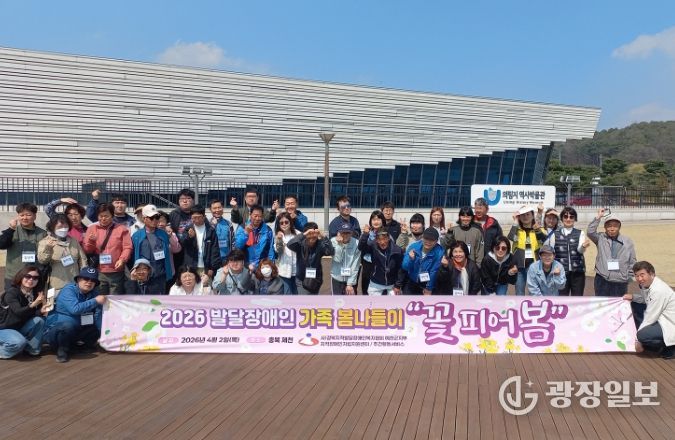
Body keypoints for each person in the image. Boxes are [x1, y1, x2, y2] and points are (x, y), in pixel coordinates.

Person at [43, 267, 106, 363]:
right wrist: (95, 301)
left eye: (93, 280)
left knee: (98, 327)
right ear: (78, 279)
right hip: (56, 332)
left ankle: (79, 347)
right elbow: (74, 309)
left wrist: (103, 334)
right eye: (86, 278)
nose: (89, 282)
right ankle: (62, 351)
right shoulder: (68, 290)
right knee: (67, 326)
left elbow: (98, 315)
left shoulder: (94, 294)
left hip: (78, 328)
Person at [623, 261, 675, 359]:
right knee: (634, 304)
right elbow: (646, 299)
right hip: (661, 317)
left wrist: (637, 340)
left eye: (642, 275)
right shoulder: (647, 284)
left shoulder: (658, 290)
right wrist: (633, 297)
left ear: (651, 274)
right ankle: (655, 343)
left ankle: (671, 347)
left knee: (642, 335)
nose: (639, 279)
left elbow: (650, 317)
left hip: (670, 323)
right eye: (636, 276)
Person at [82, 203, 133, 295]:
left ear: (112, 215)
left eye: (106, 216)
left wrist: (122, 259)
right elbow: (87, 250)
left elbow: (127, 247)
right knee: (100, 297)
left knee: (115, 297)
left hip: (116, 270)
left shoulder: (122, 229)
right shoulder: (92, 228)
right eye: (100, 216)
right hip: (99, 270)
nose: (103, 219)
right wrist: (91, 241)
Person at [588, 209, 637, 297]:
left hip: (620, 281)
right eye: (609, 226)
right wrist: (598, 217)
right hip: (603, 279)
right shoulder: (600, 238)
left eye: (615, 226)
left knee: (618, 304)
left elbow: (632, 260)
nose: (612, 229)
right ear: (605, 227)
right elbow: (590, 232)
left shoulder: (627, 241)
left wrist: (628, 277)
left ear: (619, 227)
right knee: (601, 303)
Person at [0, 266, 46, 359]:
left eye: (35, 278)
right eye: (28, 276)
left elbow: (31, 314)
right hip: (4, 328)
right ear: (21, 277)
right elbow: (18, 312)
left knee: (39, 320)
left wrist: (41, 311)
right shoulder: (12, 293)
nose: (31, 280)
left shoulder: (35, 294)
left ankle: (32, 349)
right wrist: (34, 304)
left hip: (19, 327)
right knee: (19, 342)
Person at [0, 202, 48, 290]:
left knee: (34, 298)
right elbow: (1, 244)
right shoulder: (12, 231)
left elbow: (45, 255)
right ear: (18, 216)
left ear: (35, 216)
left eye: (28, 215)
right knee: (12, 298)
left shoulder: (42, 233)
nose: (24, 218)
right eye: (21, 215)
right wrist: (11, 229)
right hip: (14, 276)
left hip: (34, 278)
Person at [37, 214, 88, 294]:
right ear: (52, 227)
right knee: (55, 301)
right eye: (60, 227)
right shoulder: (45, 242)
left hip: (74, 283)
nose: (63, 229)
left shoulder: (74, 241)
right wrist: (48, 248)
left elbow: (83, 259)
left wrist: (83, 276)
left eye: (66, 226)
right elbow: (42, 260)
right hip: (55, 285)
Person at [131, 204, 175, 295]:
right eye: (151, 218)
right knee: (143, 300)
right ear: (144, 219)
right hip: (143, 274)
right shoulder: (136, 236)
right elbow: (133, 256)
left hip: (160, 274)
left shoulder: (163, 234)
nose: (155, 220)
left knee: (159, 301)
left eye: (157, 217)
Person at [507, 205, 548, 296]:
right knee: (519, 293)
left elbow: (543, 240)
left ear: (532, 216)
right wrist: (515, 221)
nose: (525, 217)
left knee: (533, 292)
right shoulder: (518, 230)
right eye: (523, 215)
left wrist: (537, 229)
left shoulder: (537, 229)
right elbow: (511, 237)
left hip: (534, 266)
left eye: (528, 214)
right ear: (519, 217)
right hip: (519, 267)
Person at [287, 223, 335, 294]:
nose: (312, 236)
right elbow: (289, 244)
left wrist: (324, 237)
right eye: (309, 234)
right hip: (302, 280)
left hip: (316, 281)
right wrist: (304, 234)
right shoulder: (300, 244)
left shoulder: (320, 244)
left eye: (314, 234)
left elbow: (330, 252)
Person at [553, 206, 590, 296]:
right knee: (562, 298)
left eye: (571, 217)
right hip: (561, 271)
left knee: (577, 298)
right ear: (562, 218)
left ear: (575, 219)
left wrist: (583, 246)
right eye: (565, 216)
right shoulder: (555, 233)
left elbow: (580, 251)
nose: (568, 219)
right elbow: (551, 252)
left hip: (578, 272)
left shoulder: (580, 233)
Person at [180, 205, 222, 279]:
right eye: (194, 217)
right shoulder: (187, 229)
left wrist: (212, 268)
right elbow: (182, 244)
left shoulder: (210, 230)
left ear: (204, 216)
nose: (197, 220)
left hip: (206, 267)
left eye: (199, 217)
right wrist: (189, 237)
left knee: (206, 286)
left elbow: (215, 250)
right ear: (191, 217)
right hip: (191, 267)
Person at [400, 228, 444, 295]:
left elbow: (433, 271)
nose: (428, 242)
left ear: (436, 241)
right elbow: (405, 267)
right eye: (426, 238)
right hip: (412, 280)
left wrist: (429, 288)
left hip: (427, 283)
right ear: (422, 238)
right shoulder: (413, 246)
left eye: (432, 240)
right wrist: (410, 259)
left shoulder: (439, 252)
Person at [358, 229, 403, 295]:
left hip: (392, 284)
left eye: (385, 239)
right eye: (379, 240)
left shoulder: (397, 250)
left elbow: (400, 269)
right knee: (373, 301)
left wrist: (398, 285)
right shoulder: (373, 246)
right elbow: (361, 247)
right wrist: (365, 234)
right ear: (376, 240)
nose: (382, 242)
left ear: (389, 238)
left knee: (394, 300)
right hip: (376, 283)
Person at [233, 205, 275, 271]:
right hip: (245, 266)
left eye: (260, 216)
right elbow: (237, 247)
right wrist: (246, 233)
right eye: (255, 216)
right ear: (250, 215)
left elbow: (271, 250)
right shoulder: (242, 227)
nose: (257, 218)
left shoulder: (268, 230)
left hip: (262, 266)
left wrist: (271, 265)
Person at [359, 210, 386, 295]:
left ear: (382, 221)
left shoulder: (386, 234)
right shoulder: (367, 233)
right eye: (374, 219)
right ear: (370, 221)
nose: (376, 222)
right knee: (366, 290)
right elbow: (360, 247)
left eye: (378, 219)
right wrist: (365, 235)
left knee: (379, 290)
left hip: (380, 265)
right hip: (367, 264)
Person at [274, 212, 302, 294]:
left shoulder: (298, 234)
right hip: (284, 271)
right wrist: (279, 240)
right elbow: (279, 251)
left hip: (297, 271)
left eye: (286, 222)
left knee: (298, 295)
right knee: (287, 294)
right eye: (281, 223)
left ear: (290, 222)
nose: (284, 224)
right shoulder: (278, 236)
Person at [330, 223, 361, 295]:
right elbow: (337, 259)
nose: (345, 235)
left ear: (351, 233)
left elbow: (355, 265)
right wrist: (340, 245)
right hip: (336, 277)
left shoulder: (356, 243)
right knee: (337, 300)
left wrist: (350, 284)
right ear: (339, 233)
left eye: (348, 233)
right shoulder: (333, 241)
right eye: (343, 232)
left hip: (350, 278)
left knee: (350, 301)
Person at [169, 188, 195, 269]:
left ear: (193, 200)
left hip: (193, 253)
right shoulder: (173, 214)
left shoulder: (197, 213)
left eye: (188, 198)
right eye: (182, 199)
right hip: (177, 252)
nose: (185, 201)